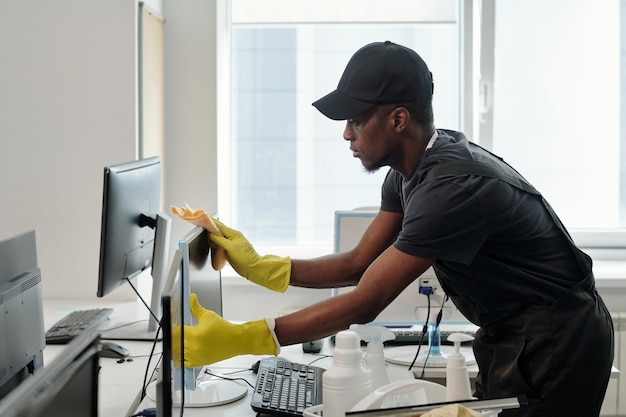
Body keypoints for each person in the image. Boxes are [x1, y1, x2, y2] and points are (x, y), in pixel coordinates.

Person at [173, 41, 614, 417]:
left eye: (356, 121)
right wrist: (262, 266)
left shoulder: (451, 189)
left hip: (558, 339)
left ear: (398, 119)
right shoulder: (408, 171)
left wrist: (249, 336)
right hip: (514, 330)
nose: (346, 134)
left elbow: (366, 301)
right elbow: (357, 264)